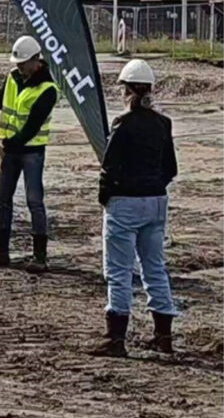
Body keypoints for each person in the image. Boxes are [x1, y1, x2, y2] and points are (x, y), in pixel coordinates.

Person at [89, 59, 178, 358]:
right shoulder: (163, 124)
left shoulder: (123, 124)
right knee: (155, 267)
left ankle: (115, 339)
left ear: (126, 90)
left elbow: (109, 165)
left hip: (125, 203)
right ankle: (163, 336)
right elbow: (171, 168)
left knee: (118, 271)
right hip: (156, 201)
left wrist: (107, 197)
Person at [0, 35, 57, 273]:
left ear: (35, 61)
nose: (18, 67)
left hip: (31, 152)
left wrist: (6, 148)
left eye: (22, 63)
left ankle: (39, 256)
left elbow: (31, 128)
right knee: (2, 198)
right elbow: (2, 98)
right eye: (17, 63)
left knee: (34, 201)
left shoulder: (47, 90)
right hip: (10, 150)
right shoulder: (13, 77)